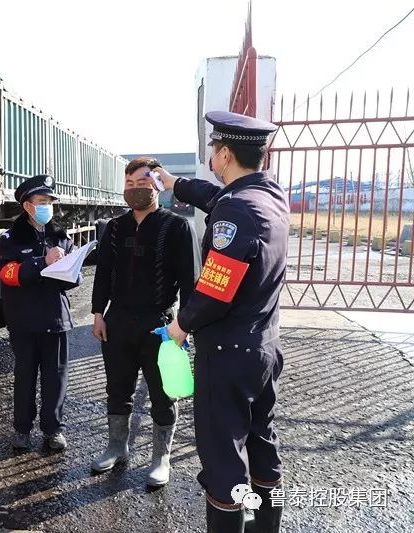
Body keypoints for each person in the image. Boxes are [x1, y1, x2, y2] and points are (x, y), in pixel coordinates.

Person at [153, 111, 288, 533]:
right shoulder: (269, 196)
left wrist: (179, 327)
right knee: (262, 443)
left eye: (213, 150)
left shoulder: (236, 211)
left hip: (228, 354)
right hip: (263, 349)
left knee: (224, 458)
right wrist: (174, 184)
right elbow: (217, 197)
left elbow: (215, 290)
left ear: (225, 154)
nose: (211, 158)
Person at [90, 157, 198, 488]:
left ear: (157, 186)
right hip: (118, 320)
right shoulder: (114, 227)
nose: (136, 189)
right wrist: (98, 313)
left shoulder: (176, 227)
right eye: (130, 184)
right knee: (117, 388)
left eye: (142, 183)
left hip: (159, 323)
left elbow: (190, 281)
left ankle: (160, 458)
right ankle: (116, 446)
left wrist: (183, 325)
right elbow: (103, 273)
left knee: (163, 393)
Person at [0, 174, 80, 452]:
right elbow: (8, 274)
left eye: (50, 202)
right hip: (23, 320)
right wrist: (42, 262)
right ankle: (22, 429)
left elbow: (74, 278)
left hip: (55, 318)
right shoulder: (11, 239)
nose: (47, 207)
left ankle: (53, 429)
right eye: (42, 201)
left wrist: (70, 268)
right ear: (27, 206)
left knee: (56, 378)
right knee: (25, 377)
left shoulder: (61, 237)